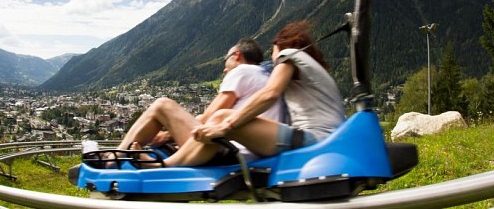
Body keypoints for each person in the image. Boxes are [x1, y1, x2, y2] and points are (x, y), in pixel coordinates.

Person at [158, 20, 346, 167]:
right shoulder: (312, 67)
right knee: (222, 117)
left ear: (279, 45)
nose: (272, 59)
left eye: (272, 51)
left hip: (313, 140)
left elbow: (270, 93)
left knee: (221, 117)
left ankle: (164, 167)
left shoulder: (288, 54)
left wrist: (226, 127)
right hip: (329, 141)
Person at [111, 37, 284, 162]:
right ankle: (119, 155)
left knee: (162, 105)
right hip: (256, 151)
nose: (224, 68)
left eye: (225, 61)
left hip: (226, 149)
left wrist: (166, 135)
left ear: (236, 55)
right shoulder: (264, 76)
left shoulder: (242, 71)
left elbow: (210, 116)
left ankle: (115, 158)